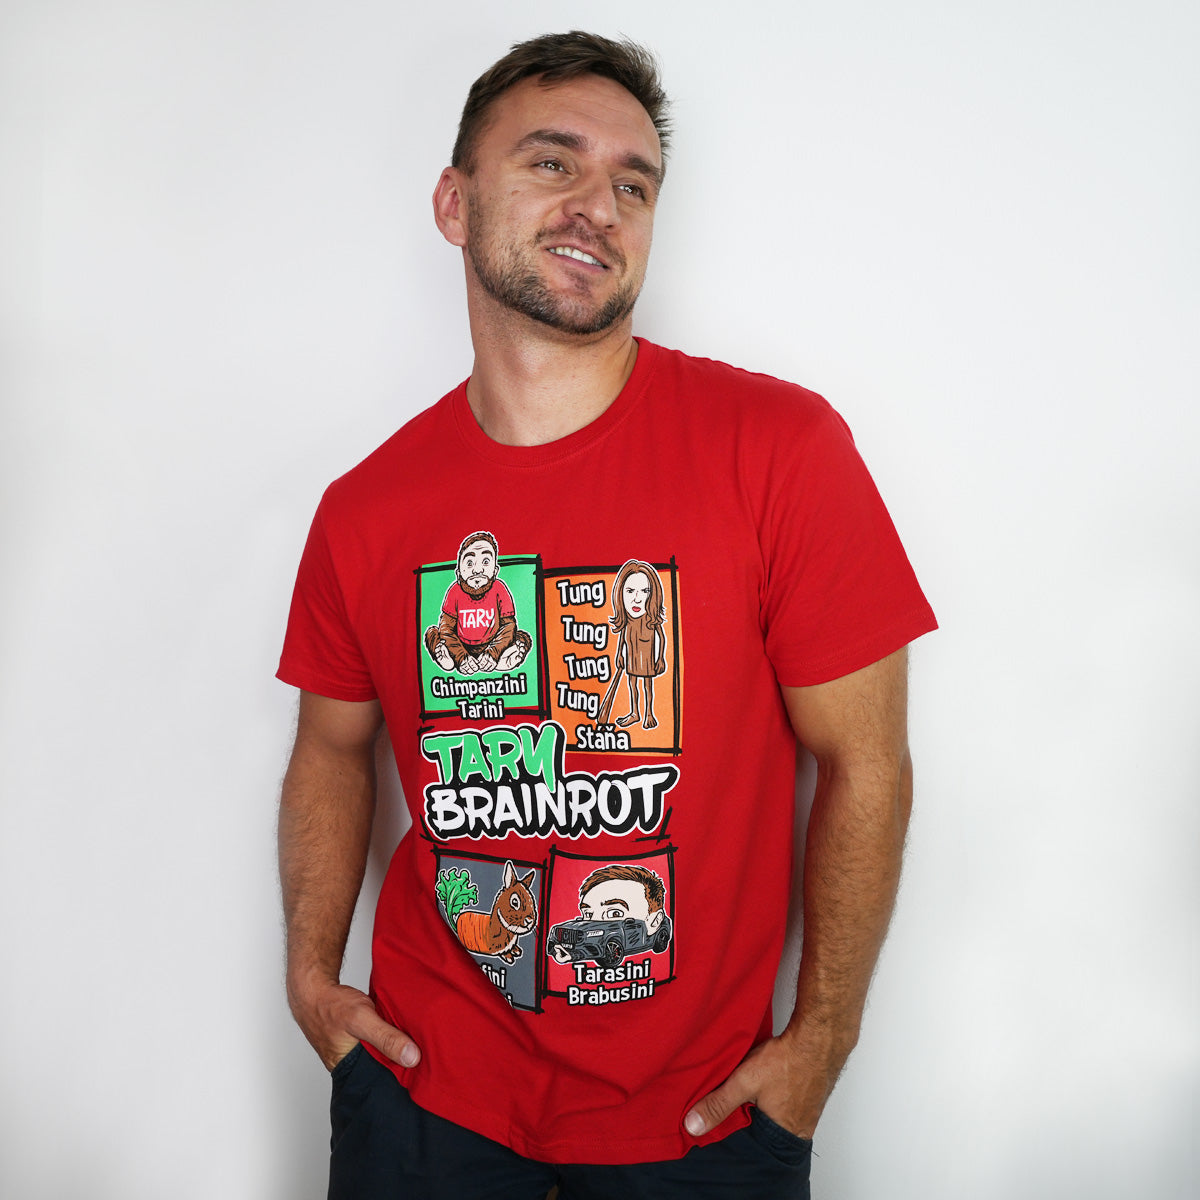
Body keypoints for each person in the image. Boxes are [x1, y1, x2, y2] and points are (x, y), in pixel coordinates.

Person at [277, 29, 936, 1199]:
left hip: (701, 1121)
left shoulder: (779, 452)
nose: (600, 206)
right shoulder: (366, 509)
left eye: (634, 184)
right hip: (425, 1094)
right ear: (453, 202)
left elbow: (867, 763)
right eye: (553, 162)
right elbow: (331, 748)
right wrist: (311, 979)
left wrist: (820, 1045)